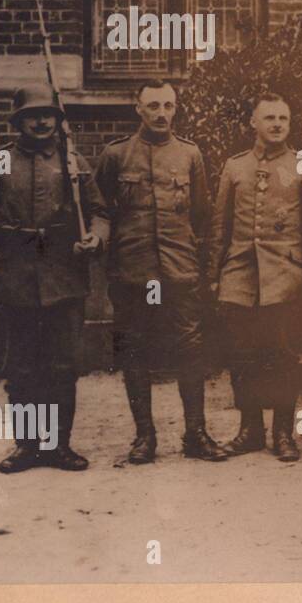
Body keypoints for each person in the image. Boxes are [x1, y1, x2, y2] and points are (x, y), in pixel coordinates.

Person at [94, 80, 227, 465]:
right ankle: (144, 437)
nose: (162, 113)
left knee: (190, 349)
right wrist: (100, 241)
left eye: (168, 105)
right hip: (134, 272)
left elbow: (202, 214)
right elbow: (101, 209)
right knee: (134, 349)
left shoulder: (190, 154)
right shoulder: (116, 155)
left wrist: (198, 263)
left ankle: (196, 434)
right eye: (153, 105)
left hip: (178, 272)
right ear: (138, 108)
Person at [0, 85, 108, 473]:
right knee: (21, 366)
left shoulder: (74, 164)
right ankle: (26, 447)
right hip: (15, 277)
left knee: (62, 366)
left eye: (48, 115)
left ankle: (57, 446)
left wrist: (95, 236)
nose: (40, 122)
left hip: (64, 278)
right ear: (19, 121)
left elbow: (100, 213)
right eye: (32, 116)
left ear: (57, 120)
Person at [209, 93, 302, 463]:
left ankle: (282, 432)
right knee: (243, 357)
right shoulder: (235, 167)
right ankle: (250, 430)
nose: (277, 124)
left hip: (285, 275)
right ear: (253, 124)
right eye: (269, 118)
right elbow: (220, 226)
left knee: (282, 357)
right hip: (240, 274)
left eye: (283, 118)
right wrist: (214, 275)